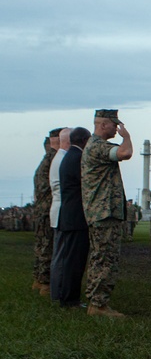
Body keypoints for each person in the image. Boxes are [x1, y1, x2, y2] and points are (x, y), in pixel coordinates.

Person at [81, 109, 132, 317]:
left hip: (101, 212)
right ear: (103, 125)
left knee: (99, 257)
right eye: (114, 124)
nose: (117, 128)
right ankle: (98, 305)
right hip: (104, 212)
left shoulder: (93, 145)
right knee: (105, 259)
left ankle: (96, 301)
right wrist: (126, 137)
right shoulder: (97, 146)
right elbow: (125, 153)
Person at [51, 127, 91, 308]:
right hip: (74, 216)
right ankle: (68, 298)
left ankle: (66, 296)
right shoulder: (75, 158)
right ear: (84, 140)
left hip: (69, 215)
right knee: (72, 261)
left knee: (70, 260)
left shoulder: (68, 157)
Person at [31, 129, 60, 296]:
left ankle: (38, 279)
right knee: (47, 247)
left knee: (41, 246)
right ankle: (44, 283)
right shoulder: (52, 160)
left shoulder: (44, 161)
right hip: (48, 210)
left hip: (42, 210)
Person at [48, 128, 71, 282]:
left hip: (60, 209)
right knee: (61, 255)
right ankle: (59, 290)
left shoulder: (60, 157)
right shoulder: (63, 159)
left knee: (60, 253)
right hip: (62, 210)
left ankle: (58, 289)